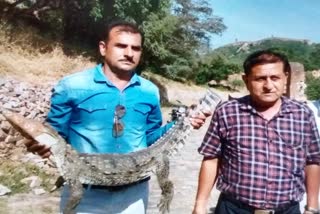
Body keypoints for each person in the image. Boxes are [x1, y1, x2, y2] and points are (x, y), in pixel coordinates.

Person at [24, 20, 209, 213]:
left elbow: (151, 139)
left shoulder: (150, 91)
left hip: (134, 197)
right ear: (103, 48)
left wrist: (184, 124)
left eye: (135, 48)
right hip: (85, 197)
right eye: (121, 46)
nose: (129, 53)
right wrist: (40, 145)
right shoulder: (72, 86)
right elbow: (54, 135)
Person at [192, 50, 320, 214]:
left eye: (275, 78)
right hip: (233, 209)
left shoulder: (303, 114)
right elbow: (211, 158)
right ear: (246, 80)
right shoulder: (227, 112)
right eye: (260, 79)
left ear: (285, 78)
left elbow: (313, 161)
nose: (268, 86)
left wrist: (312, 207)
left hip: (287, 210)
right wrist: (200, 205)